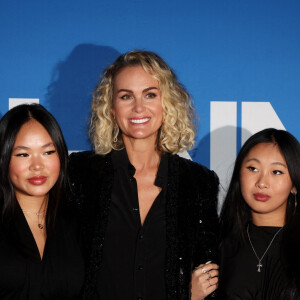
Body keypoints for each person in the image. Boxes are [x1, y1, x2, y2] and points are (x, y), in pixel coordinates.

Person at [69, 50, 220, 300]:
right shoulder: (81, 174)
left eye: (150, 94)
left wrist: (186, 294)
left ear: (167, 102)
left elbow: (208, 271)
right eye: (126, 96)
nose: (139, 107)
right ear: (111, 106)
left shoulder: (198, 183)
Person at [0, 104, 84, 299]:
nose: (37, 166)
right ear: (4, 159)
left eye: (48, 152)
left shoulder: (77, 222)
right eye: (23, 154)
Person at [219, 128, 300, 299]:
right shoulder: (218, 247)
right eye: (253, 168)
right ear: (239, 174)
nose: (262, 183)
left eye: (276, 172)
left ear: (294, 184)